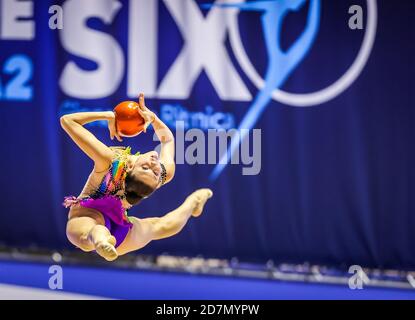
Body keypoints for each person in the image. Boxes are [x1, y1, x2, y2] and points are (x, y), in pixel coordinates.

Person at [60, 93, 213, 261]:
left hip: (88, 212)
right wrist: (153, 119)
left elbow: (67, 121)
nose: (155, 163)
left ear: (130, 167)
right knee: (160, 226)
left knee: (87, 234)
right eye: (153, 170)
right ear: (158, 181)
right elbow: (167, 140)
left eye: (146, 167)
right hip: (120, 231)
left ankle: (100, 240)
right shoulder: (162, 174)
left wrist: (109, 116)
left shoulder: (110, 163)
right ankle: (194, 202)